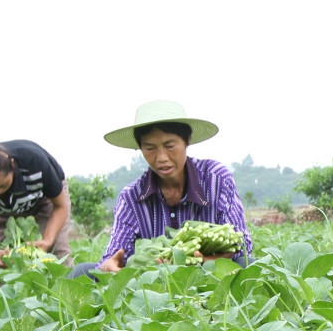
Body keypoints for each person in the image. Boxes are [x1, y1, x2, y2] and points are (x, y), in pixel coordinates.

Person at [71, 100, 252, 277]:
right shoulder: (131, 197)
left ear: (187, 140)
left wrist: (209, 260)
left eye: (170, 146)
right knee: (81, 272)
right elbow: (113, 256)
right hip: (154, 284)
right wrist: (110, 265)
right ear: (140, 148)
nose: (161, 157)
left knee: (248, 265)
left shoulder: (215, 179)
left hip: (211, 276)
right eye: (150, 148)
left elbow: (242, 243)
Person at [0, 137, 73, 282]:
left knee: (58, 251)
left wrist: (48, 239)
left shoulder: (34, 161)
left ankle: (69, 292)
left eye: (3, 185)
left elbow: (60, 206)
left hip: (44, 199)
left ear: (12, 166)